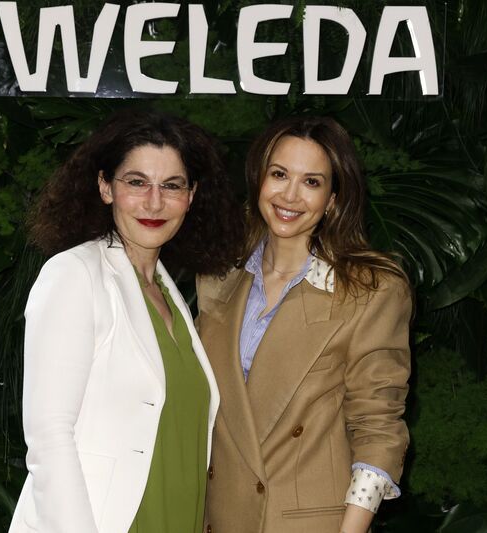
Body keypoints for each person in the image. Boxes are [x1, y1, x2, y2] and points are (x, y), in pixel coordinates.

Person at [9, 110, 243, 533]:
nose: (154, 202)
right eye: (137, 182)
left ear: (191, 196)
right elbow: (49, 437)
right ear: (105, 187)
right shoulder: (75, 274)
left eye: (171, 185)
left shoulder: (169, 294)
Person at [196, 116, 412, 533]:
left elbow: (378, 427)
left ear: (333, 199)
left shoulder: (369, 291)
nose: (290, 195)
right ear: (259, 179)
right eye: (279, 174)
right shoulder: (219, 275)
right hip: (218, 516)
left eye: (311, 182)